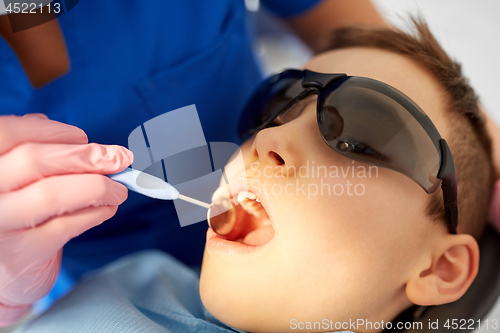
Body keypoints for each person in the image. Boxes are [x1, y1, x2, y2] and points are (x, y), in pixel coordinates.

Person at [14, 18, 495, 332]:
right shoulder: (130, 284)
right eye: (276, 110)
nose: (268, 141)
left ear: (439, 268)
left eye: (361, 139)